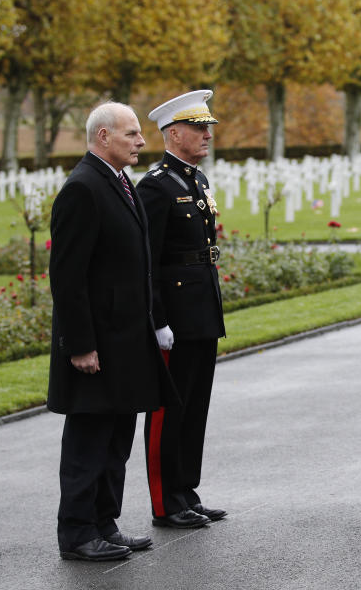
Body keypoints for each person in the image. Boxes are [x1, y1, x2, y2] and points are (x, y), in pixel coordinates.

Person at [48, 102, 172, 561]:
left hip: (125, 341)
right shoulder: (82, 188)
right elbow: (67, 275)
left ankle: (105, 522)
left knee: (117, 438)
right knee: (89, 441)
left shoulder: (119, 182)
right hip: (97, 344)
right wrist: (80, 345)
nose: (142, 141)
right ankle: (78, 532)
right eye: (132, 134)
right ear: (103, 137)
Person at [136, 90, 227, 529]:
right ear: (174, 134)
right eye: (198, 128)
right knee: (168, 411)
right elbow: (147, 260)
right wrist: (157, 319)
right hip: (174, 313)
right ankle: (164, 501)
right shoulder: (155, 186)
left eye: (207, 127)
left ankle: (186, 491)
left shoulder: (196, 181)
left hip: (201, 310)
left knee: (195, 406)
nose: (207, 135)